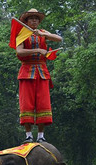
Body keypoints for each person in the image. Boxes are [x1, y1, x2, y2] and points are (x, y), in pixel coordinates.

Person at [15, 8, 62, 143]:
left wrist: (44, 36)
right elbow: (19, 52)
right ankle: (28, 135)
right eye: (31, 18)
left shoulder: (43, 33)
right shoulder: (21, 35)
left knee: (43, 102)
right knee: (26, 103)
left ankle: (41, 136)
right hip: (27, 72)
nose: (34, 20)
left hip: (42, 72)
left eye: (36, 18)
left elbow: (59, 39)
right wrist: (37, 50)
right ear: (27, 21)